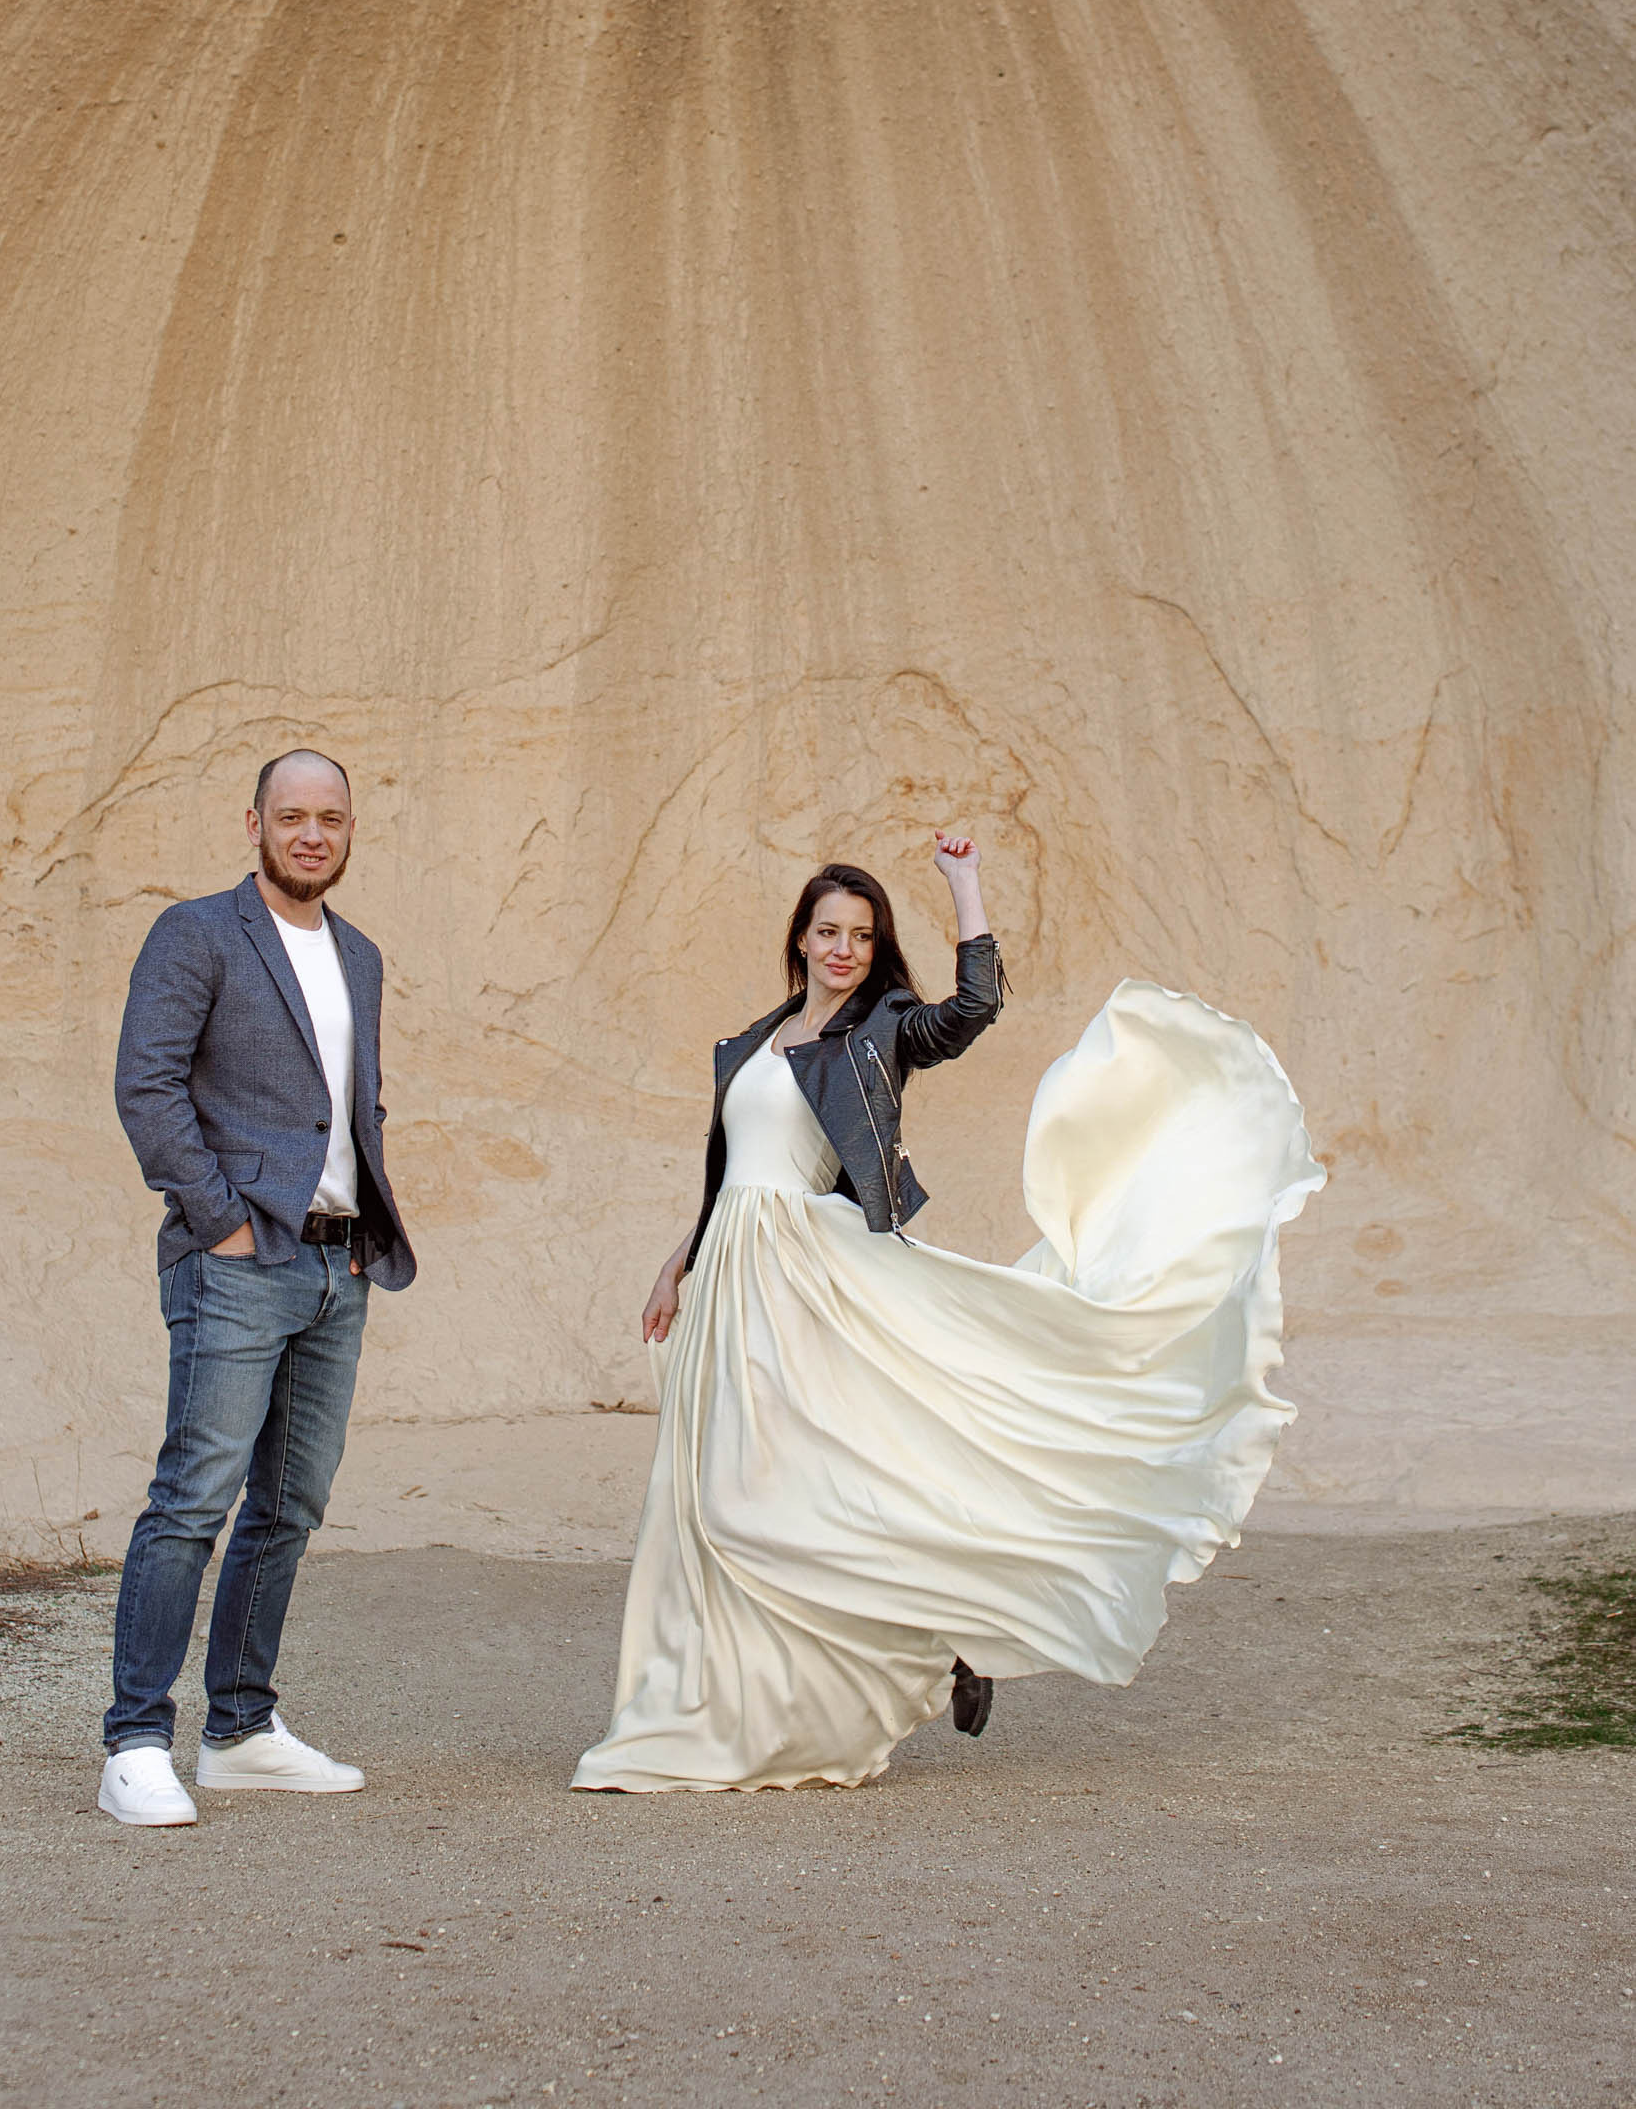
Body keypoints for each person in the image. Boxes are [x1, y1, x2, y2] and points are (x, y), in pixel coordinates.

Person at [573, 834, 1322, 1793]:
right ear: (798, 940)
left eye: (861, 934)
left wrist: (964, 887)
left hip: (810, 1277)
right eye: (826, 931)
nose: (842, 948)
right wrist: (674, 1265)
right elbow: (728, 1177)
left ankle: (935, 1635)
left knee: (798, 1483)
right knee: (731, 1490)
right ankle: (759, 1692)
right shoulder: (748, 1047)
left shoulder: (879, 1031)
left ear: (873, 947)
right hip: (730, 1278)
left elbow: (971, 1011)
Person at [99, 749, 415, 1826]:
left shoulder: (360, 955)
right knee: (194, 1498)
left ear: (350, 829)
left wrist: (366, 1230)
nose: (312, 834)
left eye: (331, 817)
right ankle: (136, 1740)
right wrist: (219, 1219)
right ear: (255, 824)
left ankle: (238, 1731)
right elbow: (145, 1082)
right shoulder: (198, 933)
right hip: (238, 1263)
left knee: (288, 1505)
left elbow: (347, 1110)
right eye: (293, 817)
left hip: (337, 1263)